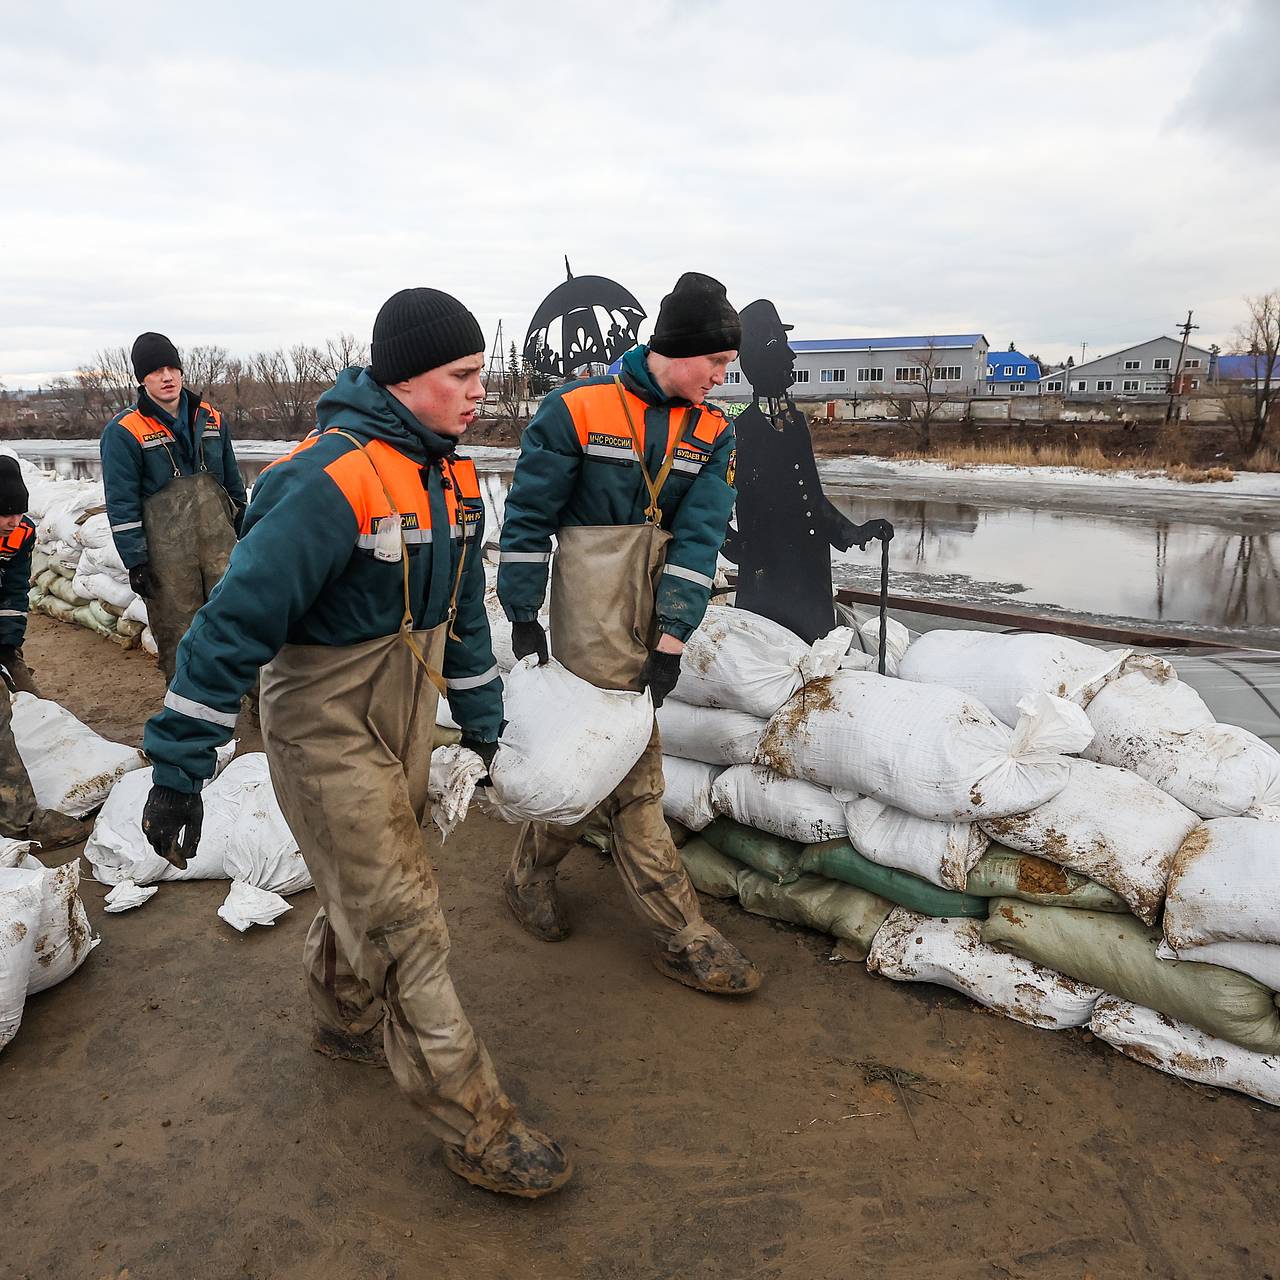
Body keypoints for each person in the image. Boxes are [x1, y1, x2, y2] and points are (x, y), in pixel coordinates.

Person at [138, 289, 571, 1200]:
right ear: (406, 378)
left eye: (480, 376)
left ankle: (342, 1014)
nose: (477, 394)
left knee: (376, 889)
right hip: (326, 727)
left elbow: (462, 623)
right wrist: (178, 769)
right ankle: (477, 1122)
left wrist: (485, 724)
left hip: (405, 716)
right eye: (461, 377)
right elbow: (230, 627)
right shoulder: (324, 479)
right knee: (406, 918)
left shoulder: (451, 480)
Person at [498, 271, 762, 996]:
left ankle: (527, 873)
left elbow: (699, 538)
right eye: (714, 362)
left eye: (726, 367)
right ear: (677, 348)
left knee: (594, 761)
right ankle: (683, 935)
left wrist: (672, 639)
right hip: (585, 617)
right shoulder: (575, 410)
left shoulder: (714, 429)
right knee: (636, 781)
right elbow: (527, 521)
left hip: (648, 613)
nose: (720, 377)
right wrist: (522, 612)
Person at [724, 298, 892, 644]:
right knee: (770, 663)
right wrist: (739, 549)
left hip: (809, 573)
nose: (792, 357)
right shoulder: (739, 432)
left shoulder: (795, 424)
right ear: (761, 356)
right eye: (782, 347)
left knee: (815, 666)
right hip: (767, 581)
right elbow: (710, 505)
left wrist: (853, 533)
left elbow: (810, 499)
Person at [100, 332, 247, 680]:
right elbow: (122, 504)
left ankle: (256, 705)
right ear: (141, 378)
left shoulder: (212, 419)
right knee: (180, 637)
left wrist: (249, 534)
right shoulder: (125, 431)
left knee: (238, 624)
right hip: (167, 560)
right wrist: (136, 561)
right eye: (155, 370)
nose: (166, 377)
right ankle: (190, 723)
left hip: (220, 549)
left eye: (172, 368)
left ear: (181, 371)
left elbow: (234, 486)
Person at [0, 456, 89, 848]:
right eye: (4, 514)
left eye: (18, 511)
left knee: (32, 702)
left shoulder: (21, 534)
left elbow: (15, 590)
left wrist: (7, 642)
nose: (12, 520)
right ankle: (19, 820)